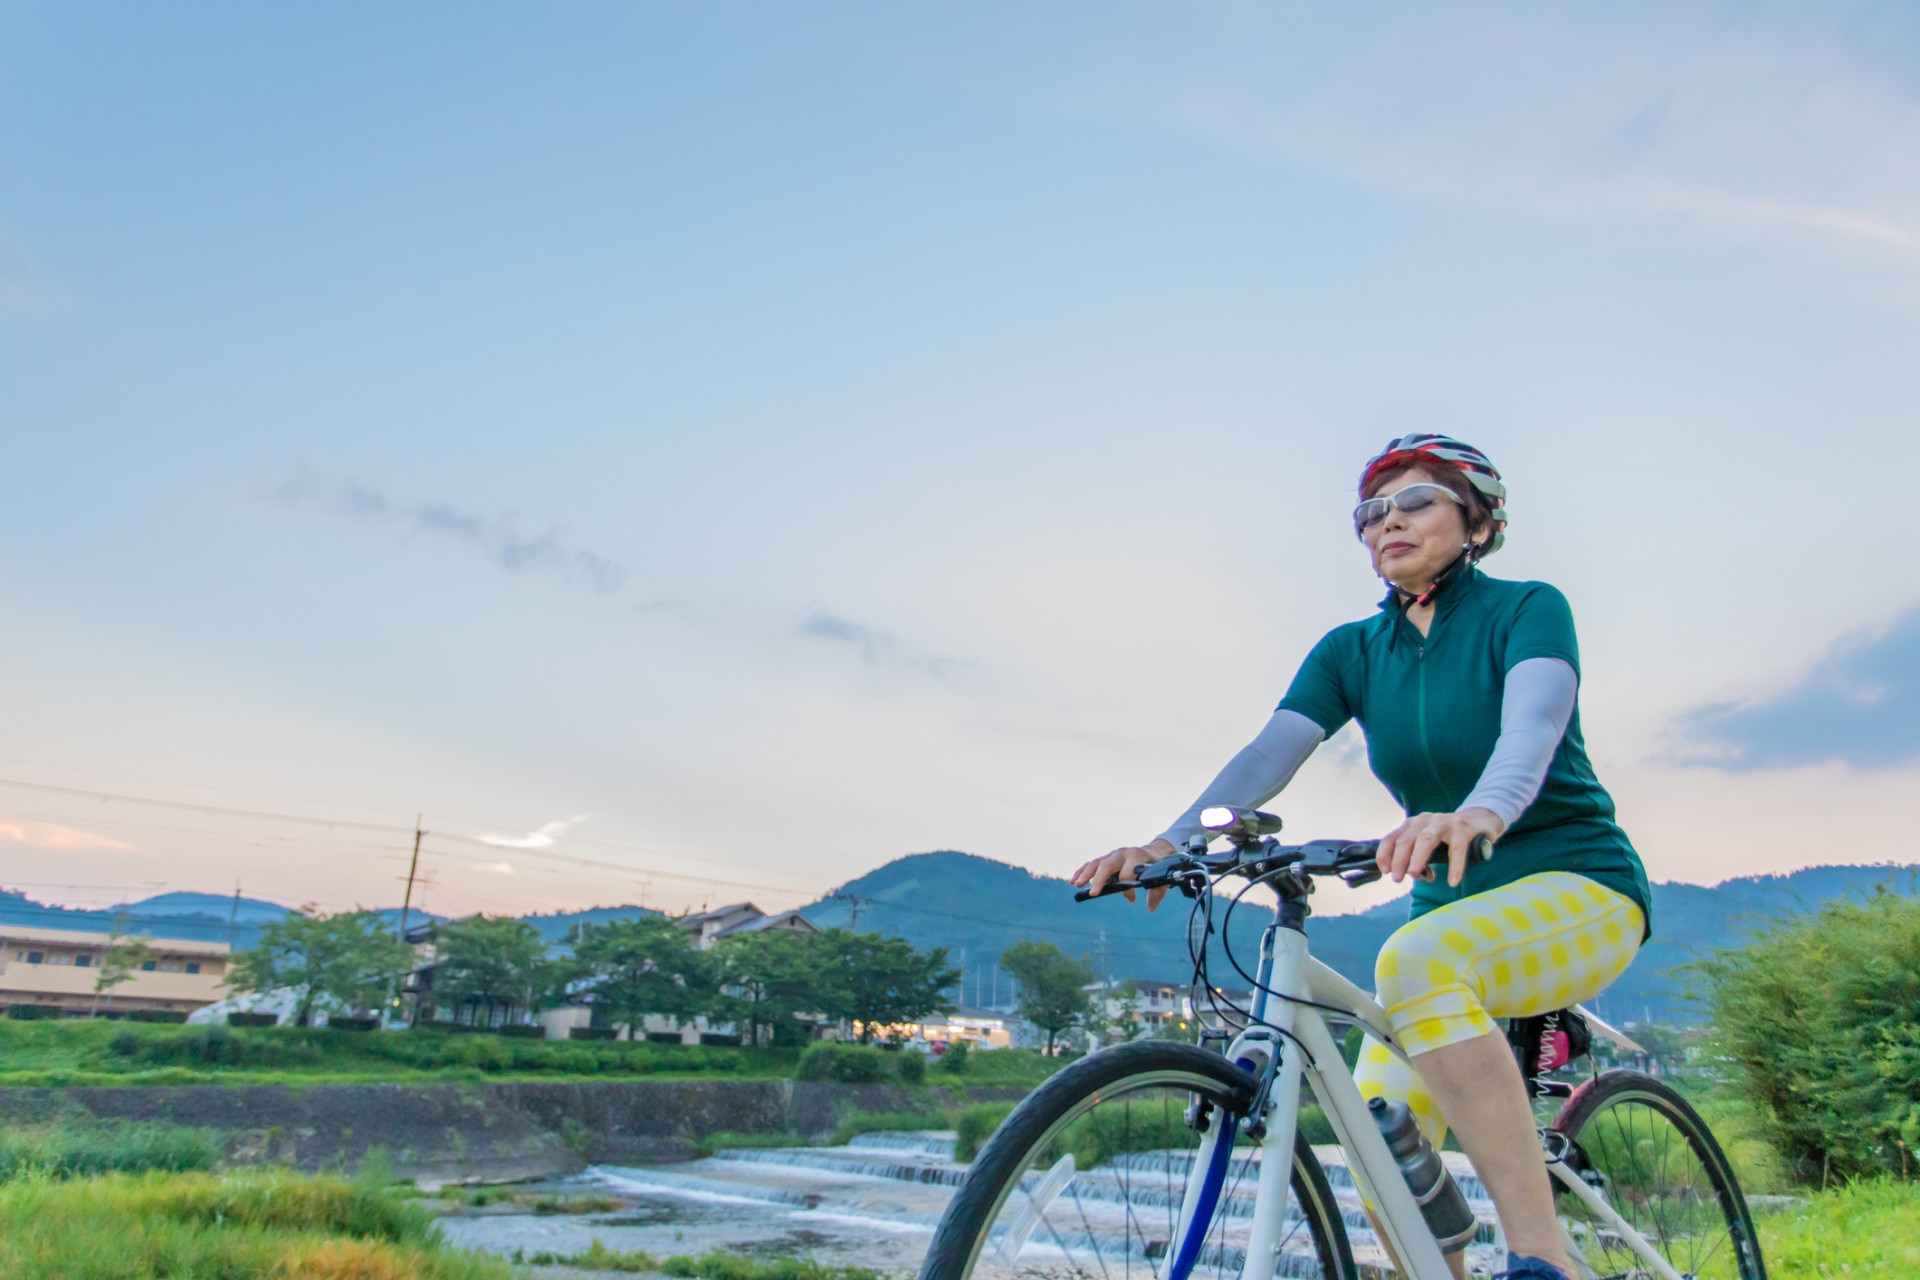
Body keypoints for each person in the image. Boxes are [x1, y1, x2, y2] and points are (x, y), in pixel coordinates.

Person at [1071, 434, 1652, 1280]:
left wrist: (1480, 812)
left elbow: (1533, 725)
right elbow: (1266, 757)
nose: (1388, 524)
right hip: (1451, 910)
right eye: (1371, 514)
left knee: (1415, 959)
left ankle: (1539, 1257)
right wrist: (1170, 843)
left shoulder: (1528, 607)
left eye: (1416, 502)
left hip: (1580, 885)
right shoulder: (1351, 651)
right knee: (1377, 1126)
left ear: (1479, 521)